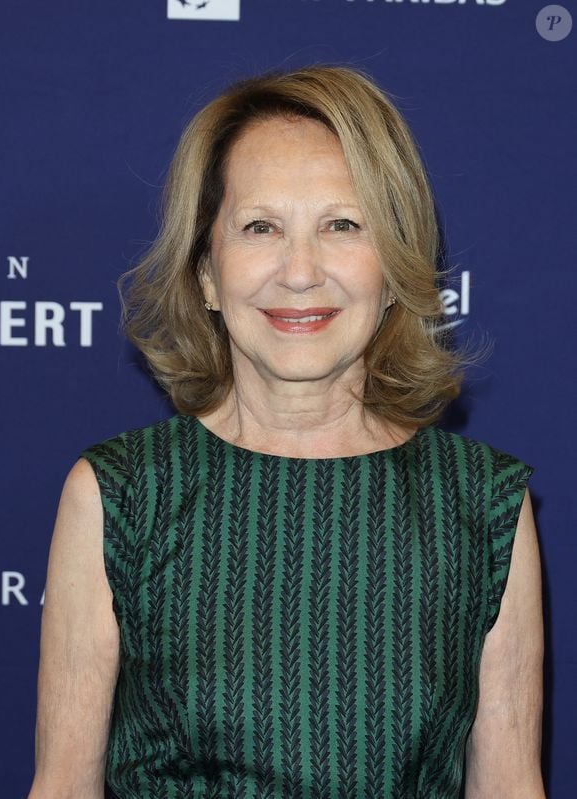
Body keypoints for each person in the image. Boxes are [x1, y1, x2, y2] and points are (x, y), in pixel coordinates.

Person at [27, 66, 545, 799]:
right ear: (206, 271)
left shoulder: (482, 505)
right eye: (260, 227)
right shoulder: (121, 496)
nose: (299, 272)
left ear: (395, 267)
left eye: (342, 225)